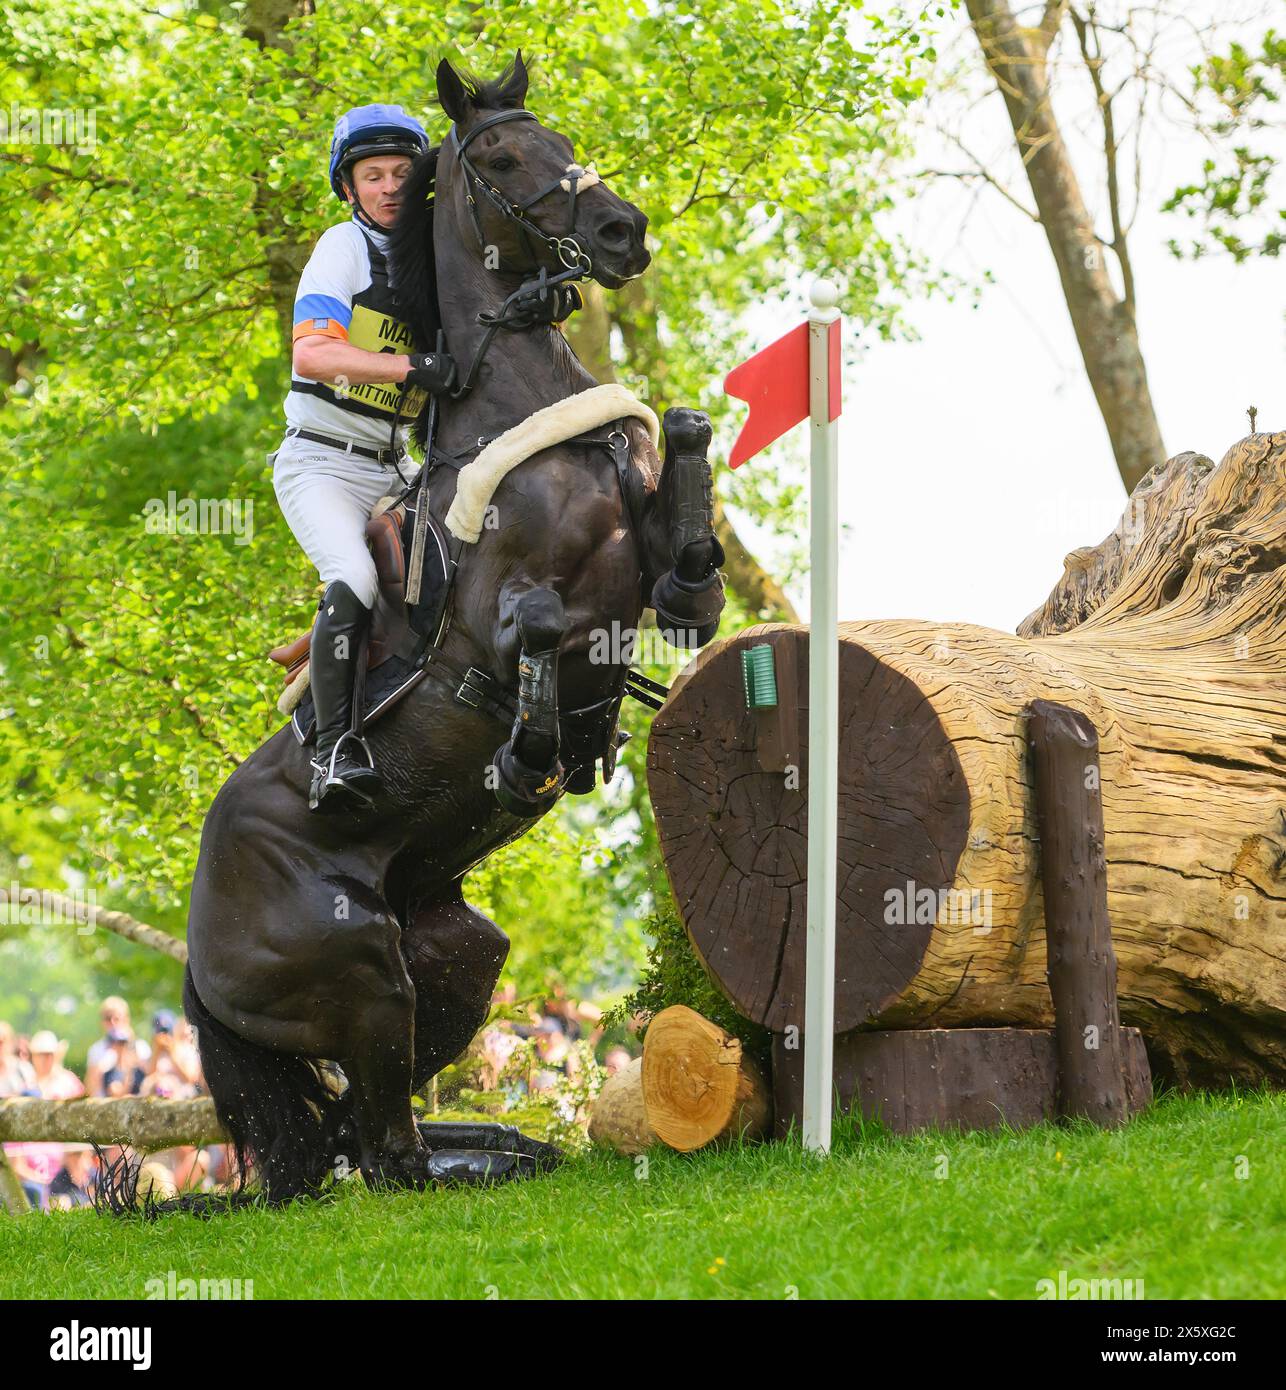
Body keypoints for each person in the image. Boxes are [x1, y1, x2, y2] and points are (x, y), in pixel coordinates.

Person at [274, 104, 457, 815]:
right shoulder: (341, 247)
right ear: (349, 189)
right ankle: (334, 751)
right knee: (351, 574)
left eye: (401, 175)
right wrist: (413, 364)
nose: (387, 187)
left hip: (397, 468)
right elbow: (313, 353)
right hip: (323, 464)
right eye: (372, 175)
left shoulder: (438, 255)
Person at [84, 997, 150, 1097]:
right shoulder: (96, 1050)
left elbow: (150, 1077)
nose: (113, 1023)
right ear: (102, 1022)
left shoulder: (141, 1047)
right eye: (108, 1018)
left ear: (127, 1020)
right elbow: (89, 1090)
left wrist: (130, 1046)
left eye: (117, 1018)